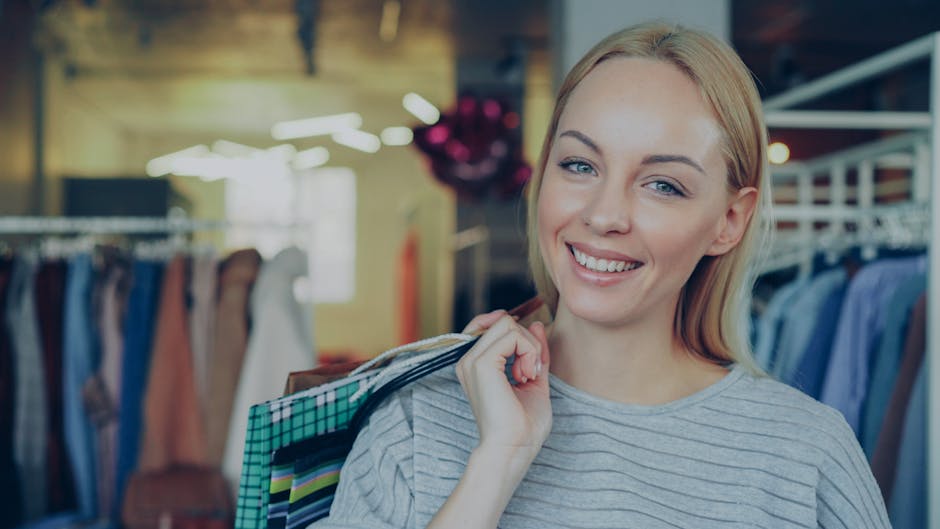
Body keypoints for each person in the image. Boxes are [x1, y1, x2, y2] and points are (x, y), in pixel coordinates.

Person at [311, 21, 891, 528]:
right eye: (579, 165)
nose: (604, 215)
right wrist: (500, 459)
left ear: (729, 221)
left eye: (663, 184)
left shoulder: (805, 453)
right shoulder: (416, 422)